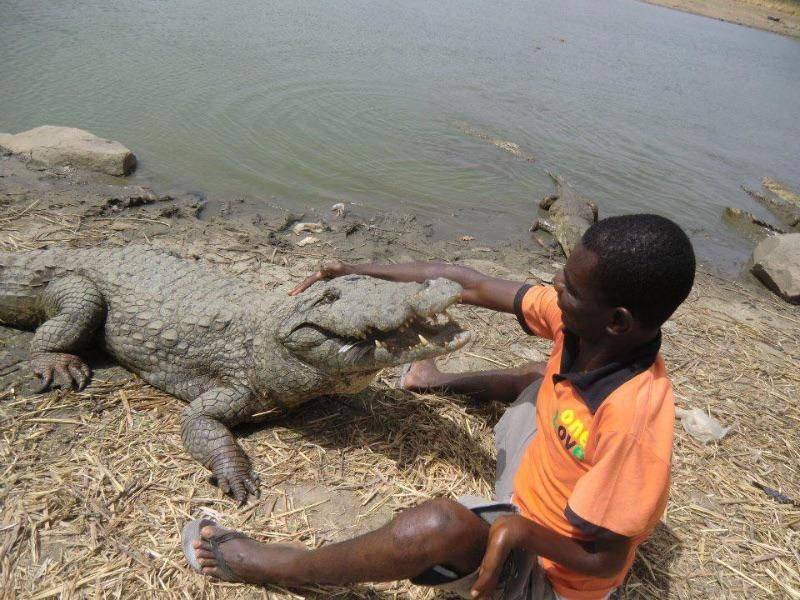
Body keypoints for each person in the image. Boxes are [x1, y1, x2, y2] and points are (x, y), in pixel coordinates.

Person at [181, 214, 695, 600]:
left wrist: (521, 531)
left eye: (571, 287)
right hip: (538, 474)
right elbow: (464, 281)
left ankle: (269, 565)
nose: (554, 285)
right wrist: (356, 270)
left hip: (546, 572)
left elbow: (605, 561)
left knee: (439, 527)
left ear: (618, 321)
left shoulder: (633, 422)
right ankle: (435, 383)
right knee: (543, 379)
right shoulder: (579, 327)